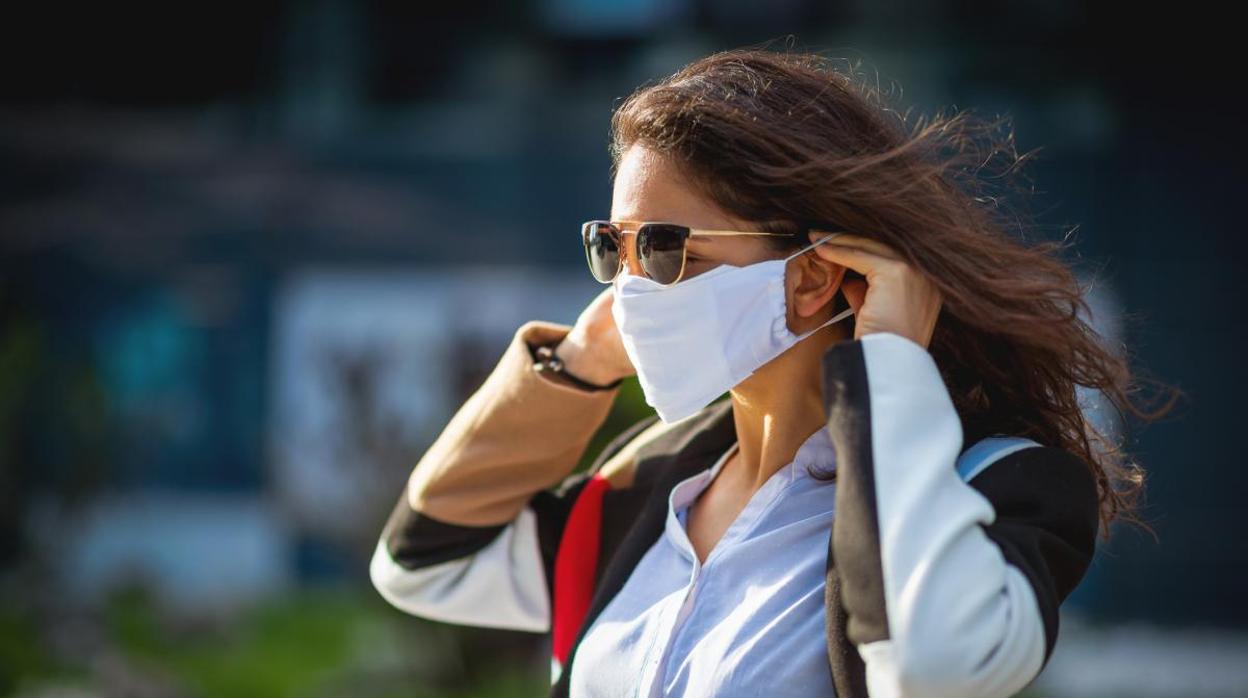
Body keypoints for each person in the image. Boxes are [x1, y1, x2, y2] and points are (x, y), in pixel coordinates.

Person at [369, 47, 1168, 697]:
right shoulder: (644, 488)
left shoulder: (997, 487)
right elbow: (422, 564)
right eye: (615, 248)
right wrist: (578, 366)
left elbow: (931, 667)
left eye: (666, 248)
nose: (630, 288)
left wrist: (888, 367)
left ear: (816, 276)